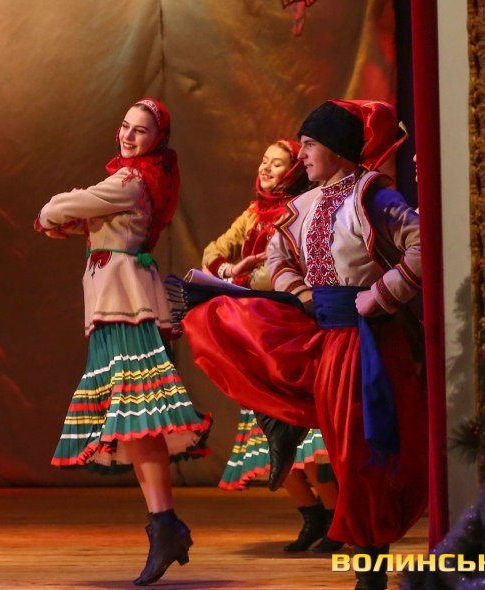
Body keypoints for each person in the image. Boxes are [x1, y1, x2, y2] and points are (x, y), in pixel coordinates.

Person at [182, 100, 426, 590]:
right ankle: (363, 554)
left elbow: (423, 244)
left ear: (336, 150)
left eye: (310, 145)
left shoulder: (372, 196)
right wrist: (303, 294)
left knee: (363, 452)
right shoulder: (305, 205)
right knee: (342, 451)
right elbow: (279, 256)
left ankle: (371, 565)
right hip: (329, 340)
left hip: (370, 342)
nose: (303, 155)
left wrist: (380, 295)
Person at [34, 98, 213, 586]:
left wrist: (67, 209)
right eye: (125, 127)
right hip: (113, 302)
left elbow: (55, 210)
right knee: (134, 423)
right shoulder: (128, 181)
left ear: (158, 140)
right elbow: (75, 217)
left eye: (141, 130)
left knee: (140, 418)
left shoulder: (131, 181)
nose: (129, 136)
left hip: (125, 304)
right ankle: (164, 524)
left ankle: (165, 524)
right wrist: (76, 216)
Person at [199, 138, 342, 553]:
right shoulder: (252, 213)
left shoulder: (302, 210)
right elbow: (213, 253)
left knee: (307, 443)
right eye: (264, 161)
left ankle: (337, 520)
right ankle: (312, 517)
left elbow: (294, 270)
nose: (265, 168)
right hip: (257, 336)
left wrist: (250, 276)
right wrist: (231, 269)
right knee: (267, 444)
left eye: (276, 164)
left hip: (291, 333)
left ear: (294, 171)